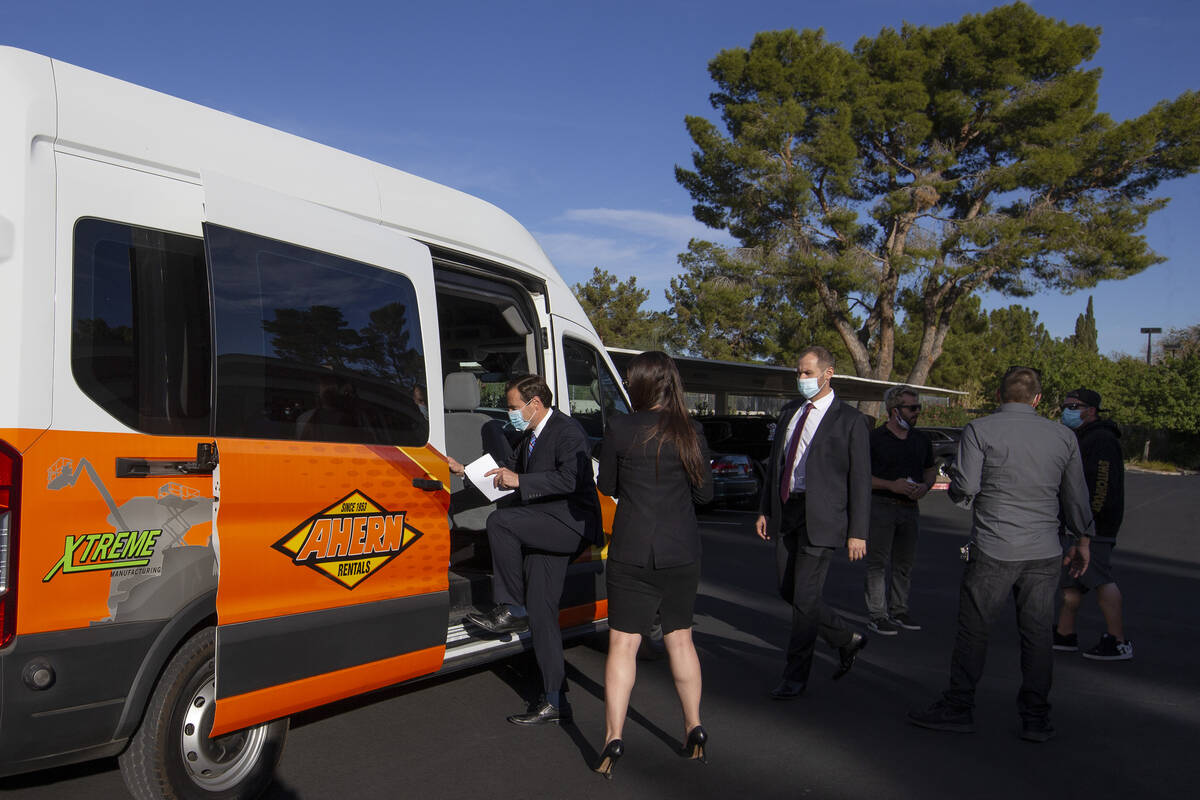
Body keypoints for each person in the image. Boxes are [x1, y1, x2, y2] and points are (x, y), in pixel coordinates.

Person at [908, 367, 1094, 743]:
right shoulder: (1063, 436)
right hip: (1043, 550)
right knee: (1038, 634)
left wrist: (961, 494)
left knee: (974, 631)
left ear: (998, 394)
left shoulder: (981, 429)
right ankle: (1036, 717)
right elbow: (1076, 494)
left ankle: (959, 707)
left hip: (994, 546)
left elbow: (966, 487)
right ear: (1038, 399)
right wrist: (1083, 540)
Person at [593, 351, 714, 779]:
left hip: (631, 550)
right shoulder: (691, 431)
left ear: (642, 384)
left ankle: (613, 737)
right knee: (681, 640)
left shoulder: (621, 428)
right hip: (681, 552)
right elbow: (704, 497)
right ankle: (694, 727)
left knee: (622, 645)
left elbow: (606, 486)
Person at [460, 374, 603, 725]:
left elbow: (570, 480)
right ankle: (554, 701)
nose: (510, 413)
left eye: (512, 407)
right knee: (543, 613)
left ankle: (511, 605)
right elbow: (508, 483)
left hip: (569, 524)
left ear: (534, 404)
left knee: (500, 523)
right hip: (544, 526)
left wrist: (519, 479)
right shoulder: (529, 438)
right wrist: (466, 472)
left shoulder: (567, 432)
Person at [756, 346, 872, 700]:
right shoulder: (790, 412)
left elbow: (860, 480)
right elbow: (776, 464)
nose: (800, 379)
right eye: (798, 372)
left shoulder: (850, 421)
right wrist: (765, 509)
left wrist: (857, 532)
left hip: (823, 519)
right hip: (788, 512)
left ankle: (795, 676)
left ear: (828, 374)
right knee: (788, 590)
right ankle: (844, 638)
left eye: (807, 373)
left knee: (806, 600)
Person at [1054, 388, 1132, 661]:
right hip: (1078, 524)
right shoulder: (1081, 437)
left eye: (1073, 406)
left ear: (1091, 410)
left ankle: (1118, 640)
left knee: (1099, 577)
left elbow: (1100, 485)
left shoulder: (1102, 440)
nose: (1067, 410)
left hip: (1095, 525)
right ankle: (1065, 633)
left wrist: (1088, 524)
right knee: (1071, 580)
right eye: (1065, 405)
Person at [864, 386, 937, 635]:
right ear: (895, 411)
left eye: (918, 407)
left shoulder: (921, 440)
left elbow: (930, 469)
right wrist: (890, 486)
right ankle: (877, 614)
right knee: (877, 563)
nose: (917, 412)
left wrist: (926, 486)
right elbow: (860, 476)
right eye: (912, 408)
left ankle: (899, 609)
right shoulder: (874, 439)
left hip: (910, 508)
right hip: (880, 506)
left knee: (904, 563)